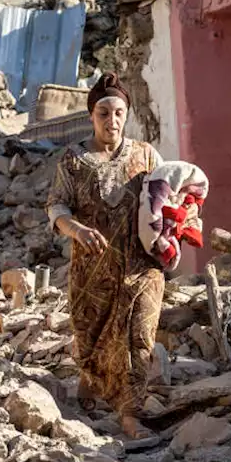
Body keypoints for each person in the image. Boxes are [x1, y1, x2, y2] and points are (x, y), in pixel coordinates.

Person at [45, 72, 164, 439]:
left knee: (139, 335)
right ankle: (91, 379)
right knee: (92, 337)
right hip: (91, 270)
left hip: (141, 266)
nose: (111, 121)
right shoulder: (74, 160)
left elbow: (170, 196)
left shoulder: (146, 155)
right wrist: (76, 230)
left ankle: (131, 413)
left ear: (126, 115)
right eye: (103, 114)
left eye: (118, 113)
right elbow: (56, 207)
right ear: (90, 117)